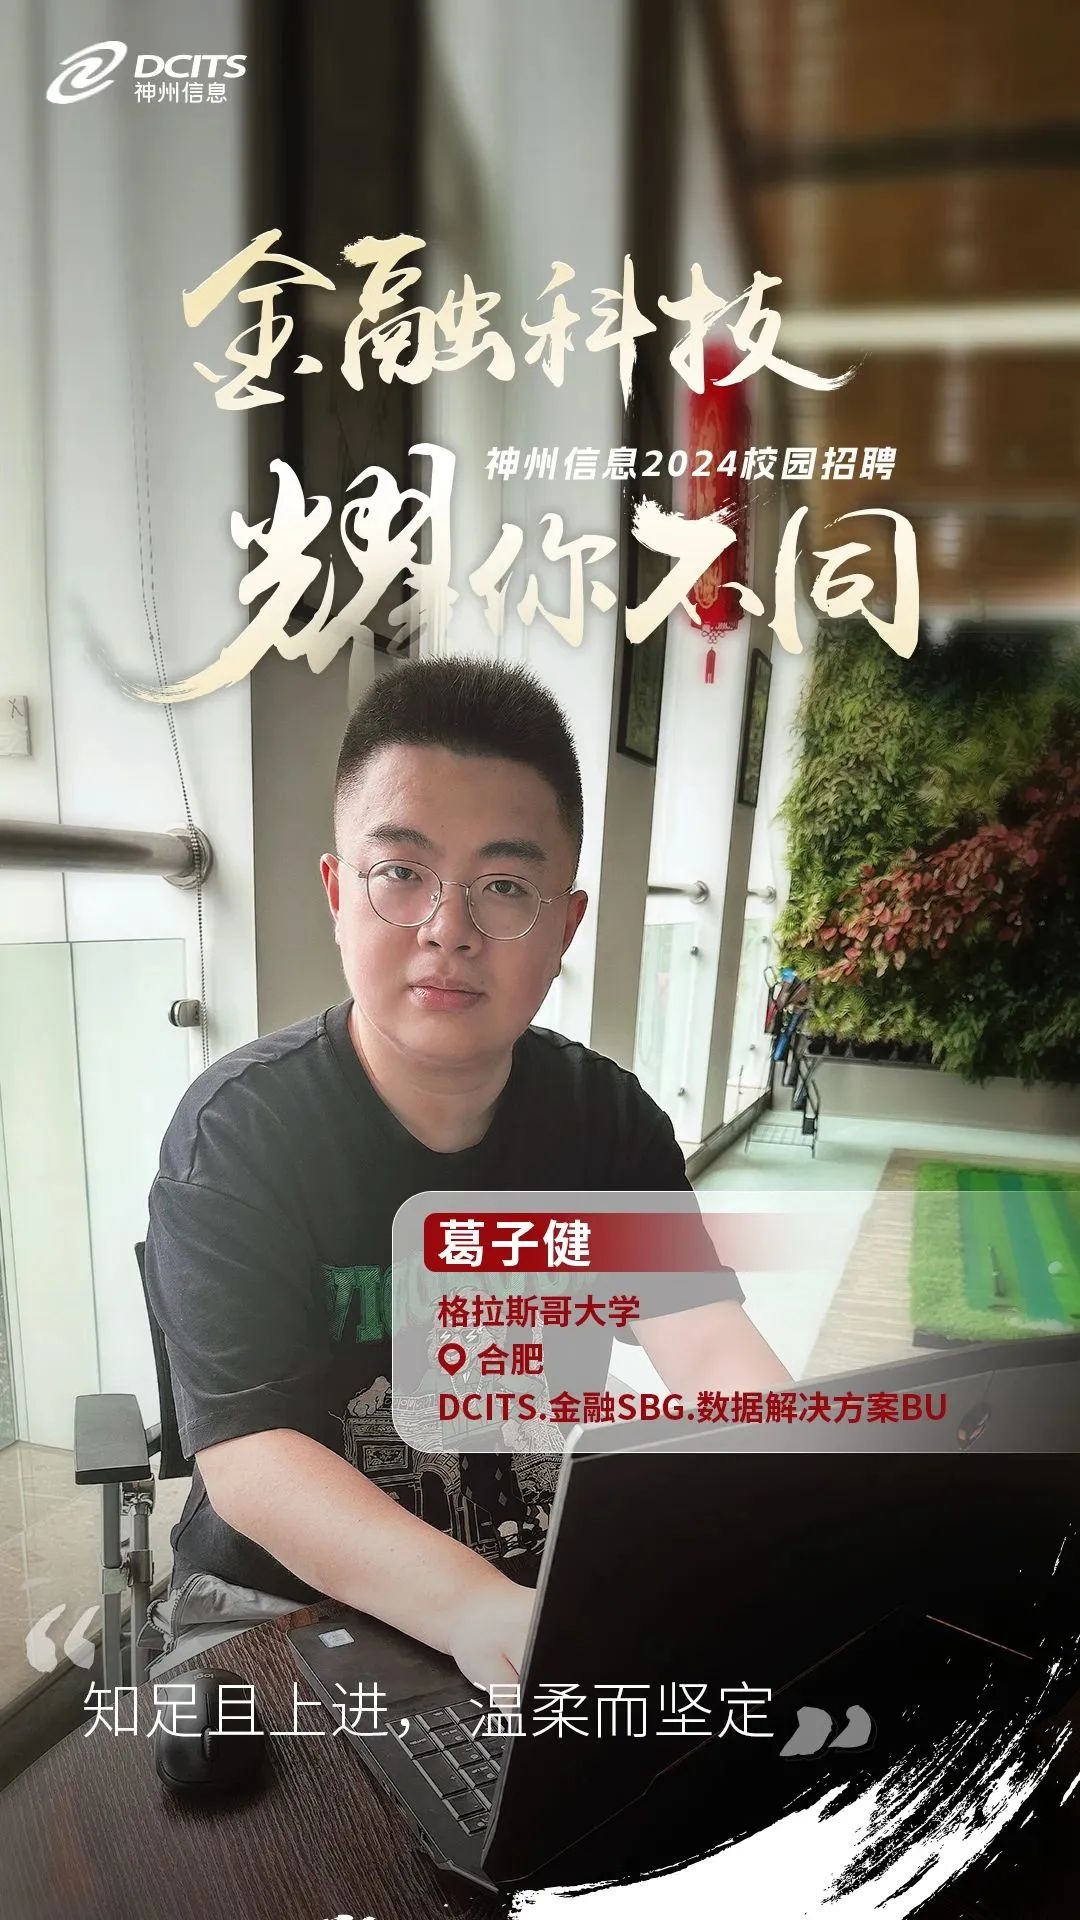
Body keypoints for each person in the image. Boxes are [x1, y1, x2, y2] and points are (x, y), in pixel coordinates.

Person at [143, 657, 789, 1685]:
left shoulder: (608, 1125)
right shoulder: (239, 1133)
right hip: (276, 1610)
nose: (449, 929)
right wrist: (475, 1610)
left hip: (523, 1581)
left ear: (564, 926)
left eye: (504, 888)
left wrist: (803, 1491)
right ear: (337, 893)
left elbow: (707, 1342)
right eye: (401, 873)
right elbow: (252, 1457)